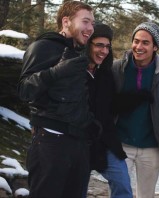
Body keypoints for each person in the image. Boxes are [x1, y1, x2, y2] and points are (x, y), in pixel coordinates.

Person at [17, 2, 102, 198]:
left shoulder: (79, 52)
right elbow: (24, 90)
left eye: (93, 23)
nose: (90, 28)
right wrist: (55, 73)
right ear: (66, 21)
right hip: (50, 142)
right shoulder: (42, 47)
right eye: (86, 21)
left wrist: (89, 125)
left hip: (77, 144)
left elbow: (73, 97)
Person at [112, 21, 159, 198]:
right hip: (120, 144)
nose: (138, 46)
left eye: (145, 42)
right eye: (136, 41)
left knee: (146, 195)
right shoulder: (116, 68)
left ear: (155, 47)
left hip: (151, 146)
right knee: (119, 192)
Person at [83, 23, 132, 198]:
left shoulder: (105, 74)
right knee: (77, 190)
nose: (104, 51)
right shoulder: (74, 71)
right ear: (88, 44)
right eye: (99, 45)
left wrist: (138, 97)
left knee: (123, 185)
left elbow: (111, 105)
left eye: (107, 46)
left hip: (106, 142)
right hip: (78, 144)